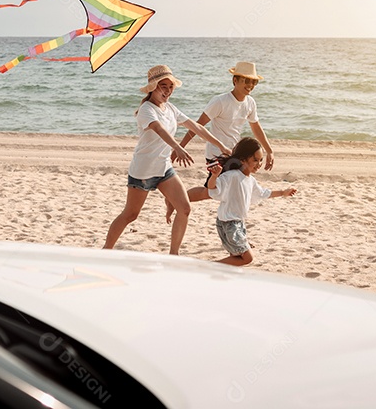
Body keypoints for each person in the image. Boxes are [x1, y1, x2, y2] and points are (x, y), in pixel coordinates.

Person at [103, 65, 231, 255]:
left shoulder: (170, 108)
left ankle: (174, 254)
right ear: (152, 87)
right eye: (163, 86)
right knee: (131, 214)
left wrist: (221, 145)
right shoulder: (147, 109)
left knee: (185, 208)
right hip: (143, 170)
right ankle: (106, 250)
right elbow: (159, 129)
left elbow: (196, 127)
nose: (167, 90)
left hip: (164, 169)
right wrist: (177, 147)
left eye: (170, 86)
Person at [179, 61, 275, 204]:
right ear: (235, 80)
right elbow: (198, 125)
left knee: (234, 186)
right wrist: (181, 147)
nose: (251, 85)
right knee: (210, 192)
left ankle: (231, 217)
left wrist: (269, 151)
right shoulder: (220, 101)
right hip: (216, 154)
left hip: (234, 154)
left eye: (254, 82)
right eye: (247, 80)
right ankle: (177, 200)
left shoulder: (250, 103)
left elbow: (256, 127)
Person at [207, 137, 297, 266]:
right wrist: (215, 176)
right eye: (255, 160)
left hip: (237, 223)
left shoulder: (250, 180)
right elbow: (213, 188)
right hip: (229, 224)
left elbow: (263, 193)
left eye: (260, 160)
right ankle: (210, 266)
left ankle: (223, 272)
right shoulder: (232, 176)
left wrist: (283, 192)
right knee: (247, 258)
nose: (259, 163)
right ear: (243, 160)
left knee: (236, 257)